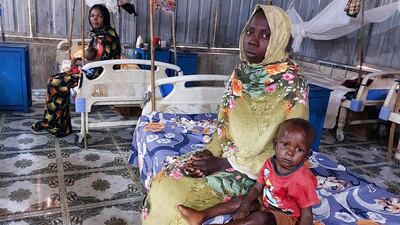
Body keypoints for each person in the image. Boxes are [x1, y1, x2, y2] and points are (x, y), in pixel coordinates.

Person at [141, 5, 309, 224]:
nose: (253, 40)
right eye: (250, 31)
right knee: (165, 178)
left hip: (260, 174)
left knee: (174, 196)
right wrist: (211, 154)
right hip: (227, 157)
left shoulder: (293, 85)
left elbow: (289, 146)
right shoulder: (241, 73)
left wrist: (225, 164)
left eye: (265, 35)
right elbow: (224, 123)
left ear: (280, 40)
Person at [177, 118, 319, 225]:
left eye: (299, 149)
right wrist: (245, 206)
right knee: (239, 201)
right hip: (265, 203)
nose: (290, 152)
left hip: (285, 216)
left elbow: (307, 214)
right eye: (285, 144)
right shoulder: (271, 163)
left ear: (307, 155)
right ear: (275, 144)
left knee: (260, 218)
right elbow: (258, 187)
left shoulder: (303, 180)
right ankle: (201, 215)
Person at [31, 4, 121, 137]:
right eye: (92, 16)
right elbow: (94, 56)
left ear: (105, 18)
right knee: (53, 80)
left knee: (56, 83)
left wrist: (80, 62)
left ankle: (55, 125)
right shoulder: (98, 34)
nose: (95, 19)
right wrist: (81, 62)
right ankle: (58, 125)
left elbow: (104, 64)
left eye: (99, 16)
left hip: (100, 76)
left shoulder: (108, 36)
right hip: (92, 71)